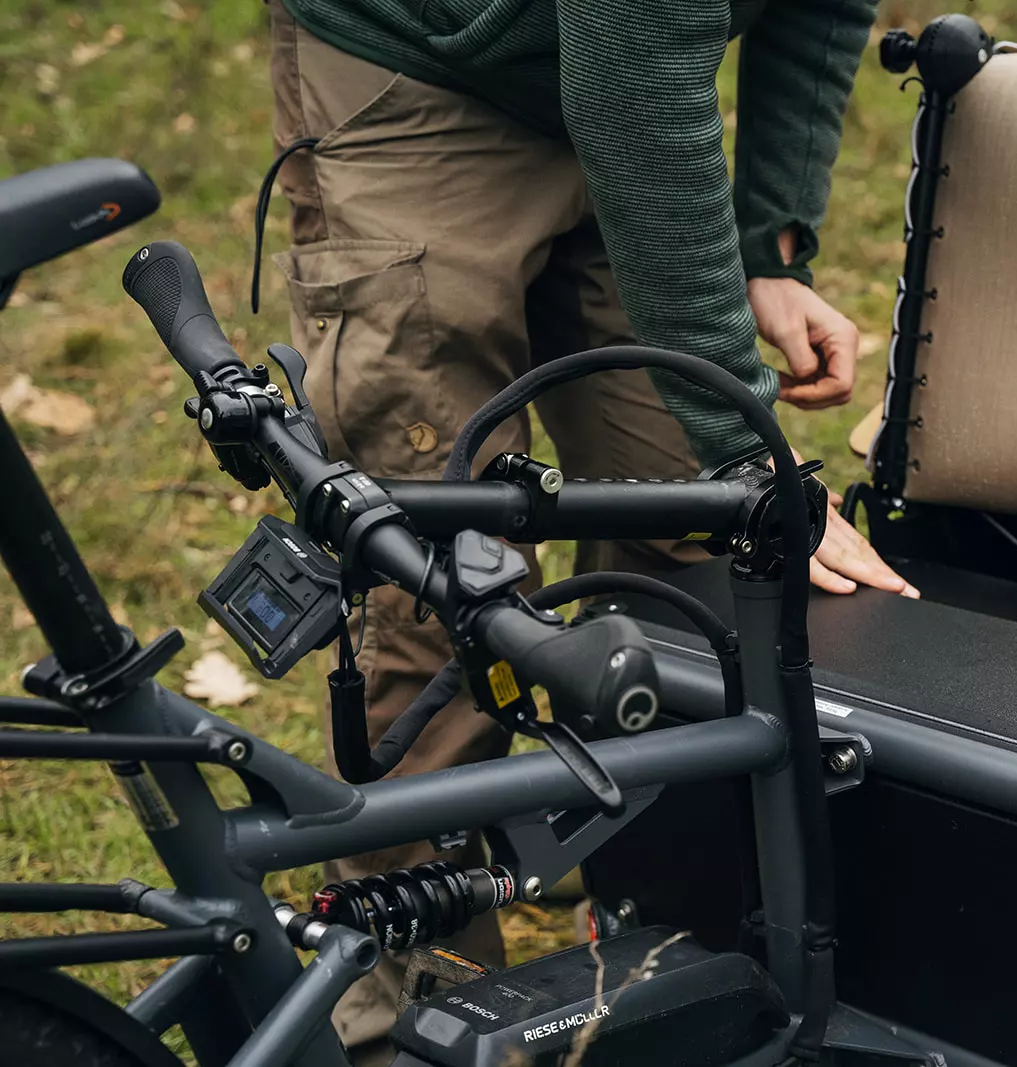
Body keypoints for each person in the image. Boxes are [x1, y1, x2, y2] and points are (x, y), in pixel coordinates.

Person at [263, 0, 912, 1058]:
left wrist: (770, 246)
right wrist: (748, 461)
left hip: (616, 77)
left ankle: (649, 927)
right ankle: (415, 1019)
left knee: (706, 536)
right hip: (424, 70)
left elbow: (822, 3)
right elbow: (633, 76)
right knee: (437, 581)